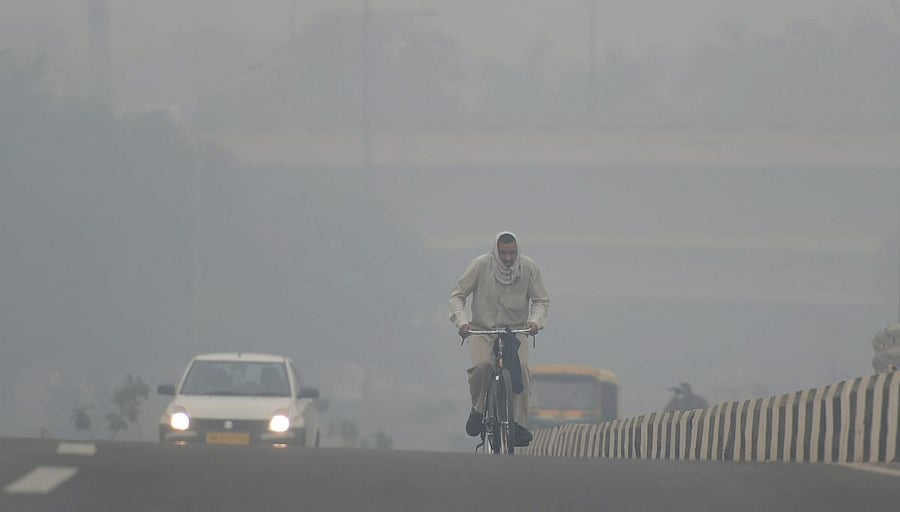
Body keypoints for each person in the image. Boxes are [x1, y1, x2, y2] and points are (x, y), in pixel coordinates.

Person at [449, 231, 550, 446]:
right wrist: (462, 322)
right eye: (503, 253)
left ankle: (518, 424)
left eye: (512, 253)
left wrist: (535, 321)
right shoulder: (480, 266)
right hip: (482, 331)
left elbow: (541, 300)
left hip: (515, 333)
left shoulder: (528, 268)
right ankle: (478, 409)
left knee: (521, 369)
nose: (508, 258)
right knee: (483, 366)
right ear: (496, 250)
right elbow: (457, 295)